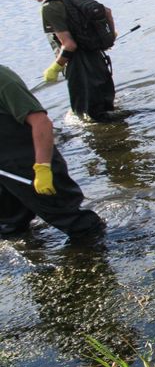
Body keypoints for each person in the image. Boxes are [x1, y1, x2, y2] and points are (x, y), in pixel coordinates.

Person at [0, 64, 105, 241]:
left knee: (75, 222)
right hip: (5, 173)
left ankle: (107, 252)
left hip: (30, 166)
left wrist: (42, 168)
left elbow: (41, 123)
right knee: (10, 227)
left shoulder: (3, 80)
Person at [19, 0, 118, 122]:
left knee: (86, 118)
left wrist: (55, 67)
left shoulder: (49, 8)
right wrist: (108, 37)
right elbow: (107, 12)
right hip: (98, 61)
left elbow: (69, 45)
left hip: (80, 69)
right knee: (106, 112)